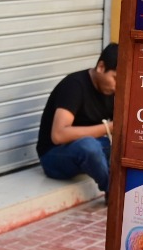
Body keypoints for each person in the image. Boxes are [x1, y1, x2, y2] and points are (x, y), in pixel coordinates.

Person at [36, 43, 117, 192]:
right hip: (53, 156)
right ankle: (113, 192)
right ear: (101, 67)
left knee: (123, 146)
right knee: (89, 146)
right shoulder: (74, 86)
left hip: (85, 151)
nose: (117, 86)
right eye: (115, 78)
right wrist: (109, 128)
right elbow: (58, 135)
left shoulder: (111, 92)